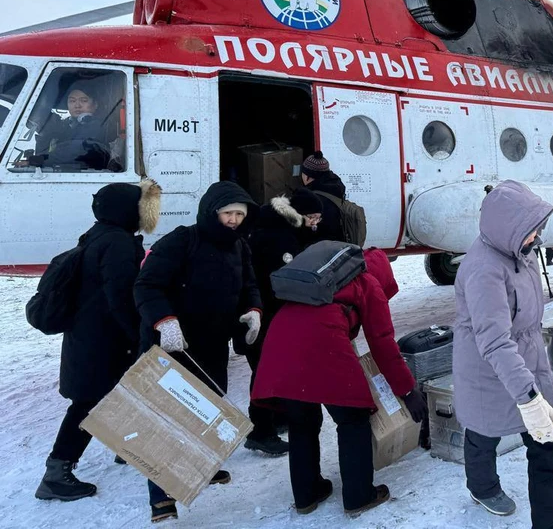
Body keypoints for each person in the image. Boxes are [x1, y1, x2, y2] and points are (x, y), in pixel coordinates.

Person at [252, 246, 425, 517]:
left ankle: (307, 494)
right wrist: (407, 390)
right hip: (322, 344)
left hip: (279, 346)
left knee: (302, 422)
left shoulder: (323, 282)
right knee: (352, 418)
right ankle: (359, 496)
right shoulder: (369, 284)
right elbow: (382, 345)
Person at [134, 180, 262, 522]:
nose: (234, 220)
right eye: (227, 213)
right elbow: (146, 284)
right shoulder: (181, 240)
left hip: (212, 346)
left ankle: (200, 467)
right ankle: (161, 497)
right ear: (211, 212)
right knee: (169, 418)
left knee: (206, 410)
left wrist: (253, 310)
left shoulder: (239, 246)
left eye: (239, 214)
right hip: (174, 345)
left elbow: (250, 283)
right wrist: (165, 321)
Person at [35, 178, 161, 502]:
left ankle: (125, 447)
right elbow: (120, 297)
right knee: (88, 405)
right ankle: (56, 472)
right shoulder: (117, 244)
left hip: (90, 338)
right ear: (127, 211)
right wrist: (140, 334)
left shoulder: (98, 235)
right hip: (103, 342)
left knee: (115, 395)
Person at [454, 180, 553, 529]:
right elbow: (494, 340)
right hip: (488, 368)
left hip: (525, 361)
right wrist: (529, 398)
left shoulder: (522, 252)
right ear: (508, 228)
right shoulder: (483, 269)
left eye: (537, 230)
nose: (536, 238)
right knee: (482, 430)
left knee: (547, 447)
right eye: (530, 231)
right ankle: (482, 487)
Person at [243, 188, 328, 454]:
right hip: (263, 317)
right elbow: (283, 282)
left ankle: (276, 418)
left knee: (270, 370)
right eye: (312, 217)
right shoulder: (278, 238)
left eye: (318, 218)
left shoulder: (279, 226)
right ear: (298, 214)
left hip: (265, 314)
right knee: (266, 372)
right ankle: (261, 431)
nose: (314, 223)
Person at [26, 82, 116, 171]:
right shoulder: (66, 128)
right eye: (72, 101)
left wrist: (40, 159)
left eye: (84, 100)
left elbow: (77, 149)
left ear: (95, 105)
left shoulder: (98, 126)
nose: (77, 105)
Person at [299, 150, 347, 242]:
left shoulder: (311, 200)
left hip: (320, 248)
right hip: (337, 244)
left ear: (307, 176)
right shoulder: (336, 189)